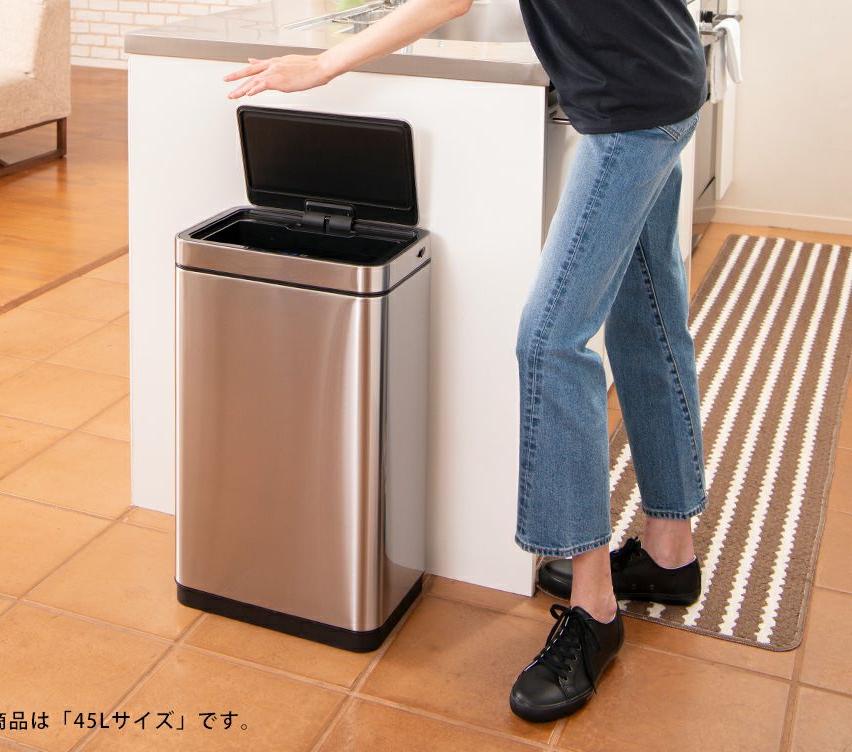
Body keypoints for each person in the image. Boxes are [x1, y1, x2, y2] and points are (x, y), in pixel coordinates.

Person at [223, 0, 710, 723]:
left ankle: (595, 607)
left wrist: (325, 64)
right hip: (662, 81)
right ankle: (671, 554)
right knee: (649, 320)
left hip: (632, 109)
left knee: (550, 341)